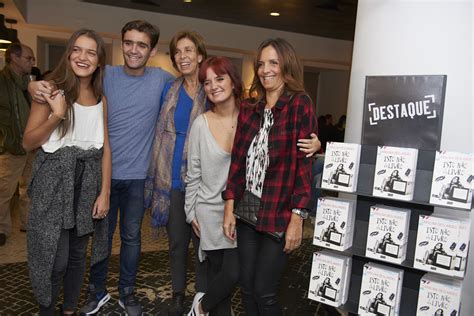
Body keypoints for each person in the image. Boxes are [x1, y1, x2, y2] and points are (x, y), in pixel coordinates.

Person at [29, 20, 174, 316]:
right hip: (83, 177)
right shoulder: (103, 75)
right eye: (129, 43)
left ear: (152, 49)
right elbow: (55, 89)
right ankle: (95, 293)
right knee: (84, 247)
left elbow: (192, 86)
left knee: (122, 240)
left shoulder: (160, 80)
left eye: (142, 44)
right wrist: (31, 83)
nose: (134, 50)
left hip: (127, 177)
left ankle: (123, 293)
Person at [222, 38, 317, 315]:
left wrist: (298, 219)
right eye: (261, 64)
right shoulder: (249, 110)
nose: (266, 70)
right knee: (248, 288)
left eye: (273, 62)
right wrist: (229, 207)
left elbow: (303, 167)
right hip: (248, 211)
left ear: (286, 65)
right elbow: (237, 163)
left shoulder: (299, 104)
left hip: (279, 211)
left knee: (265, 291)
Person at [22, 29, 111, 316]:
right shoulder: (49, 90)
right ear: (69, 53)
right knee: (54, 258)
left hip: (87, 181)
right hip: (54, 181)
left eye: (91, 52)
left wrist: (105, 192)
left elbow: (105, 148)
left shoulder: (101, 98)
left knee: (76, 256)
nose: (82, 57)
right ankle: (47, 309)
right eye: (77, 49)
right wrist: (57, 115)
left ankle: (70, 309)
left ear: (99, 61)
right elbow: (28, 142)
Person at [145, 30, 209, 316]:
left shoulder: (213, 90)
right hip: (170, 178)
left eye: (188, 50)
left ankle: (203, 296)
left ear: (200, 56)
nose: (182, 56)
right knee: (177, 244)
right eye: (177, 52)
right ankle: (179, 295)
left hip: (204, 181)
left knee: (203, 245)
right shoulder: (169, 90)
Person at [184, 56, 241, 316]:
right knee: (227, 274)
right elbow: (192, 173)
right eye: (207, 82)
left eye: (219, 78)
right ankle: (202, 307)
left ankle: (201, 307)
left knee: (230, 279)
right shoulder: (200, 124)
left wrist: (315, 142)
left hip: (245, 213)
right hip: (210, 212)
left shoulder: (251, 119)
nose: (213, 86)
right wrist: (190, 212)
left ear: (233, 81)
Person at [0, 42, 36, 246]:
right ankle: (1, 229)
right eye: (28, 58)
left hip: (31, 145)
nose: (32, 62)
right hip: (11, 145)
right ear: (14, 57)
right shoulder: (2, 81)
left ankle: (27, 223)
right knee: (4, 190)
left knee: (29, 188)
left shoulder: (28, 82)